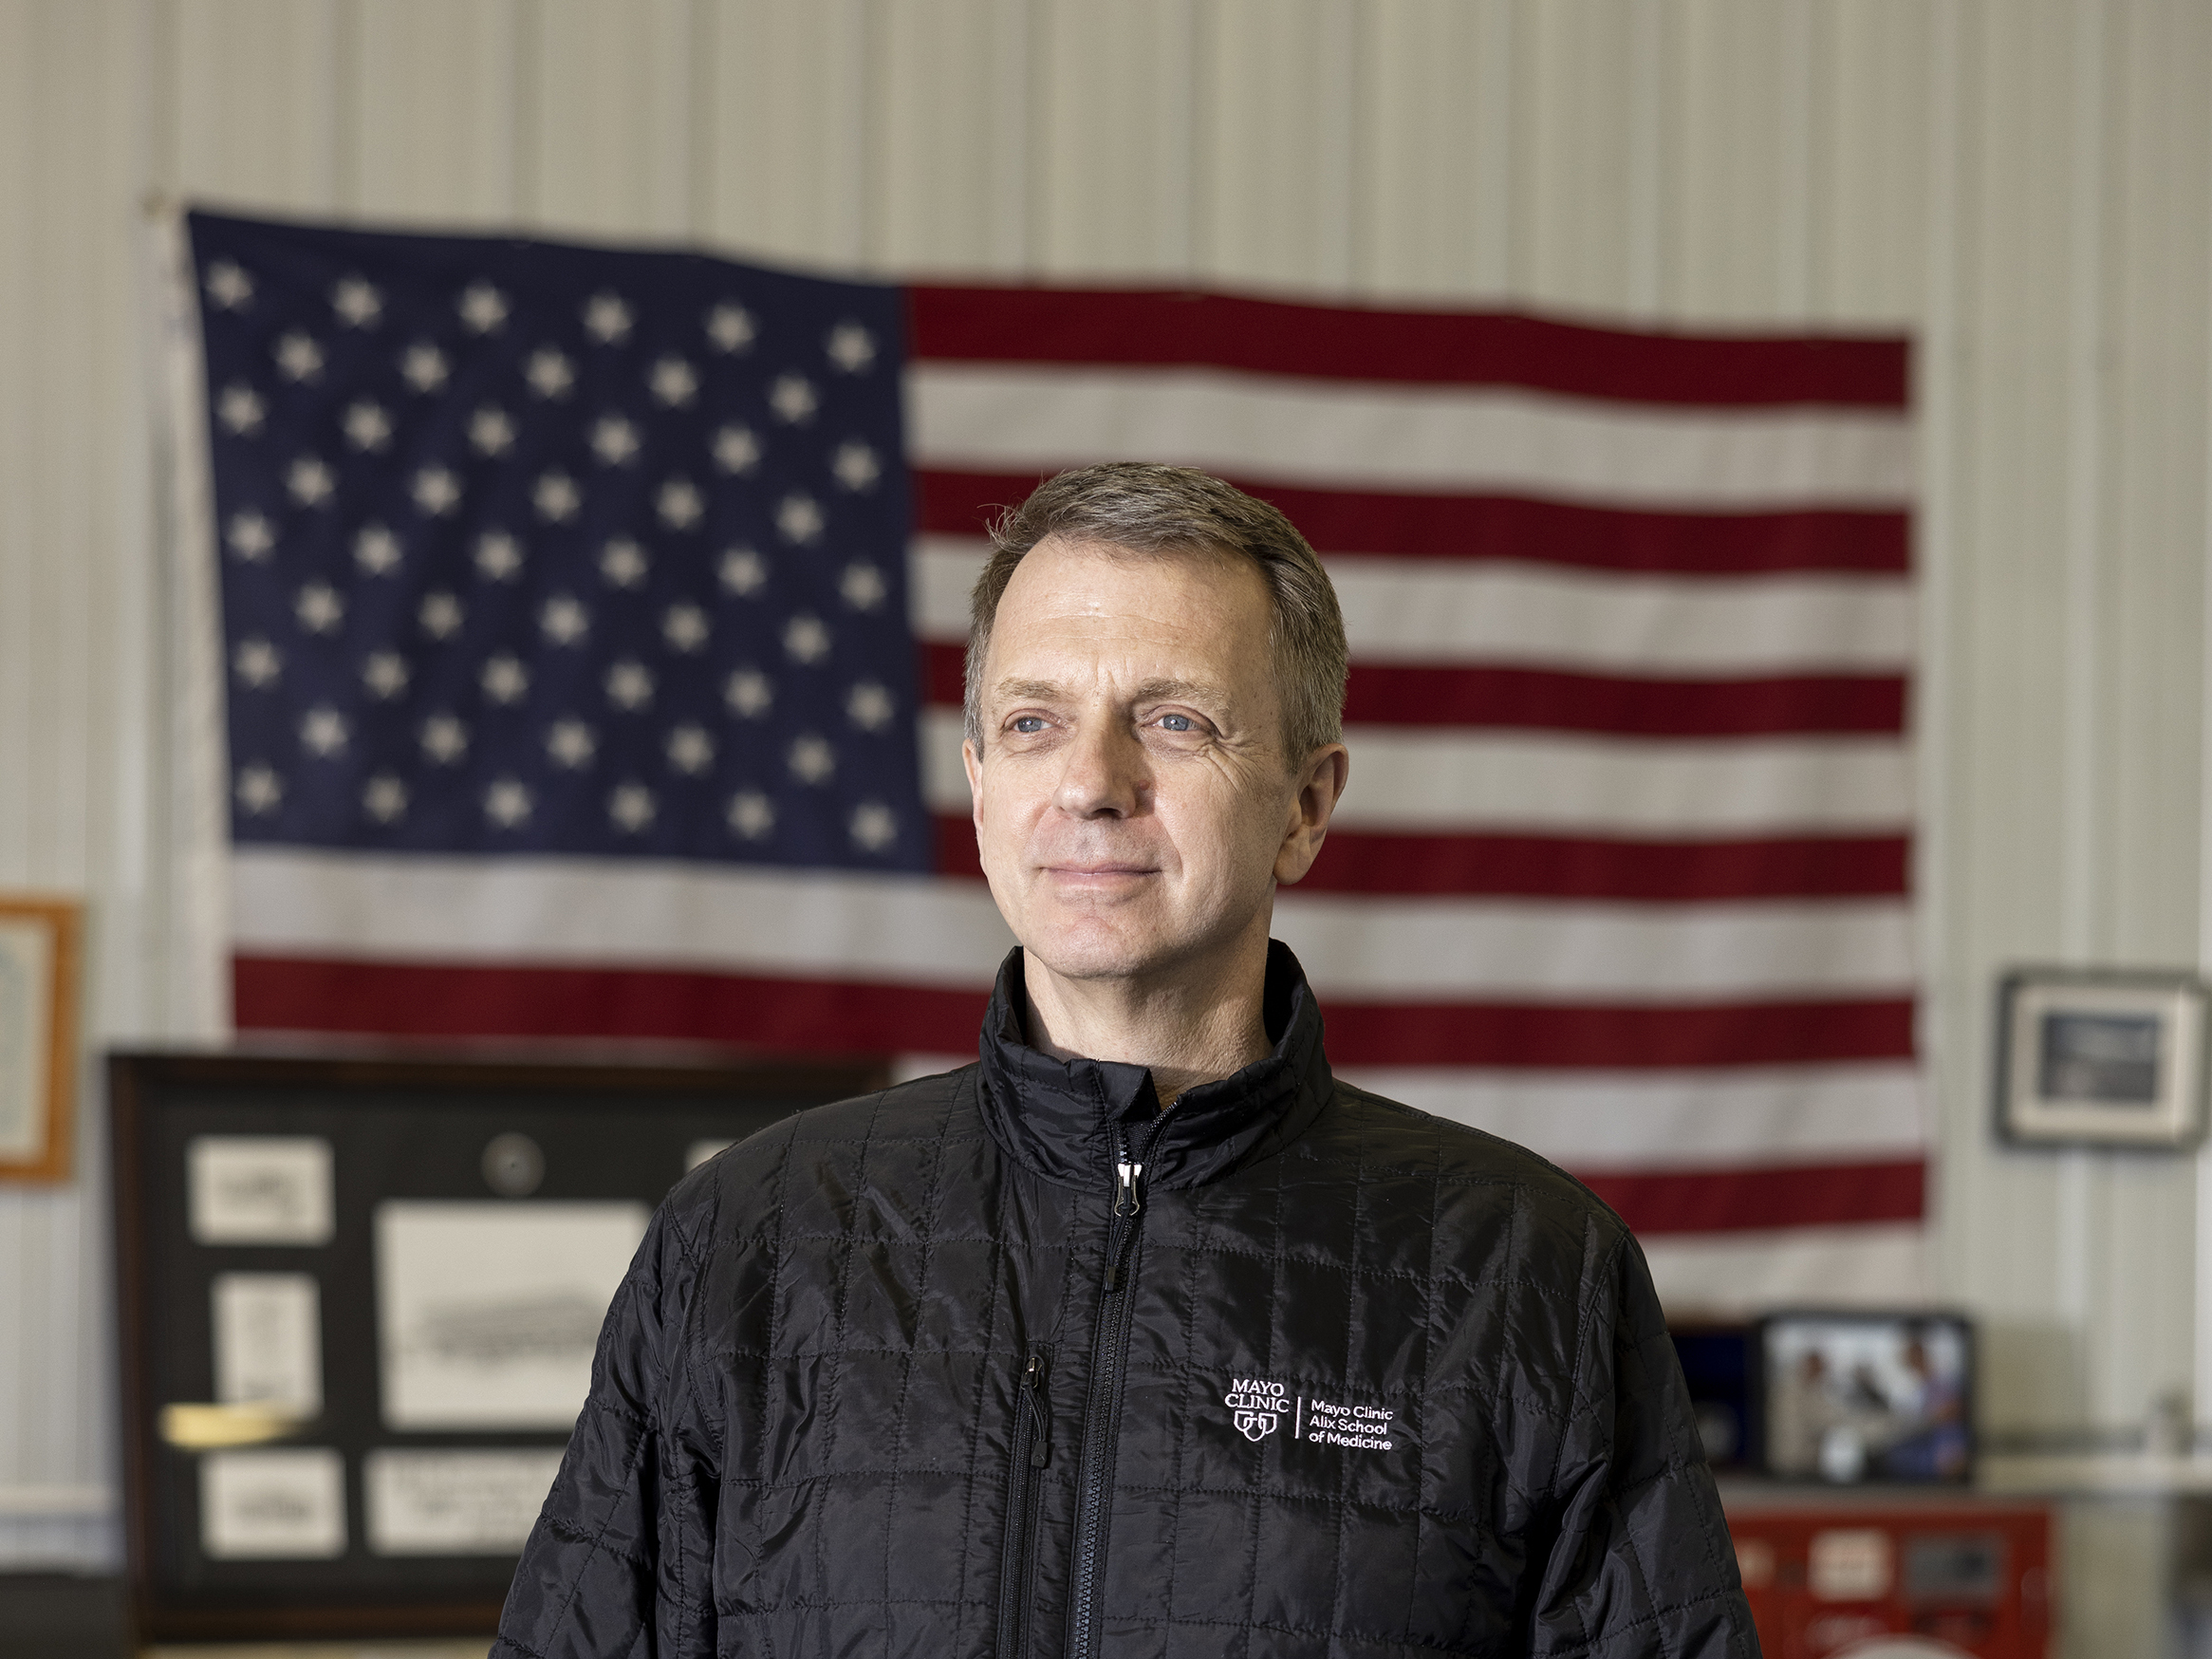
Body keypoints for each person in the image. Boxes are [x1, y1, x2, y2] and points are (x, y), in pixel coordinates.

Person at [493, 464, 1756, 1658]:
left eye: (1176, 720)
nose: (1092, 783)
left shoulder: (1529, 1271)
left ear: (1307, 806)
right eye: (1035, 722)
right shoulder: (751, 1242)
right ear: (982, 788)